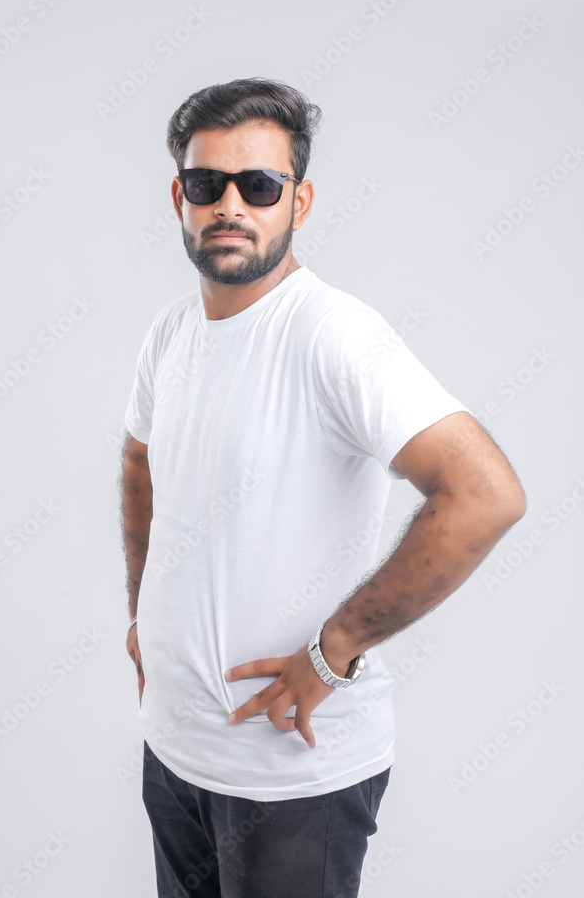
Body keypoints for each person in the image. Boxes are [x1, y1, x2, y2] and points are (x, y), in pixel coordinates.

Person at [121, 77, 526, 898]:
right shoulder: (171, 332)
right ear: (178, 197)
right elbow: (139, 465)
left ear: (298, 202)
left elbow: (484, 495)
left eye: (257, 186)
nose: (229, 205)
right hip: (174, 754)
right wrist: (141, 615)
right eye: (206, 184)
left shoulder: (333, 336)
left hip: (292, 780)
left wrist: (333, 648)